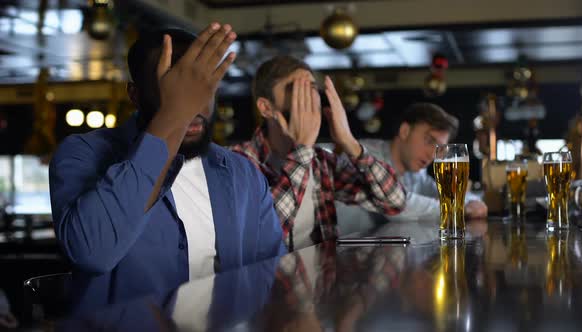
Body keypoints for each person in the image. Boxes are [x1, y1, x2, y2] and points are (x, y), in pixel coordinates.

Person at [49, 24, 286, 312]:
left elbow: (271, 277)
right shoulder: (83, 153)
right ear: (135, 95)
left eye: (201, 88)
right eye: (171, 87)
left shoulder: (242, 173)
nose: (193, 105)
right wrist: (173, 116)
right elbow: (93, 252)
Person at [231, 55, 406, 251]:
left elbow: (395, 202)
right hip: (269, 281)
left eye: (313, 88)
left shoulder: (321, 162)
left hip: (322, 279)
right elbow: (261, 236)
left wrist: (350, 142)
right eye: (296, 89)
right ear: (266, 107)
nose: (309, 98)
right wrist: (302, 149)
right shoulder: (238, 162)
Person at [360, 102, 488, 220]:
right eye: (429, 141)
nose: (433, 154)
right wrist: (459, 208)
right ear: (405, 131)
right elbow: (399, 208)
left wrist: (472, 202)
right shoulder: (365, 155)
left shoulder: (417, 173)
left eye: (439, 147)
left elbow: (446, 193)